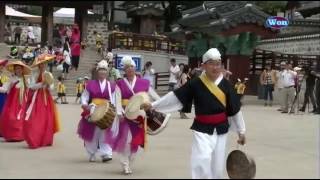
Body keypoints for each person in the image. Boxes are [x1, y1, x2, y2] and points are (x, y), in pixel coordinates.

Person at [143, 48, 246, 179]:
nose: (215, 67)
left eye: (218, 64)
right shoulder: (195, 83)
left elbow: (235, 109)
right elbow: (175, 97)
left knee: (217, 168)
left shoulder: (226, 84)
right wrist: (153, 105)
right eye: (211, 64)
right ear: (203, 66)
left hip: (221, 129)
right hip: (202, 129)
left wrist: (241, 131)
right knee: (201, 161)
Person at [106, 55, 166, 175]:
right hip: (125, 114)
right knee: (126, 140)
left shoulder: (144, 82)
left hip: (139, 115)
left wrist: (161, 104)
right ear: (124, 70)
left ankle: (129, 161)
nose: (130, 69)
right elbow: (117, 99)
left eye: (131, 67)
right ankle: (125, 164)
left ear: (135, 68)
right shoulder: (120, 83)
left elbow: (154, 95)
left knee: (136, 141)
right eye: (127, 67)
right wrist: (119, 113)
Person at [77, 60, 118, 162]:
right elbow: (85, 96)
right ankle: (91, 153)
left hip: (106, 110)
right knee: (92, 132)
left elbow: (113, 99)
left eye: (104, 70)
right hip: (93, 109)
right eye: (100, 70)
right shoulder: (90, 84)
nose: (102, 72)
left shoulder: (111, 86)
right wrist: (85, 105)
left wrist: (112, 110)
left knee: (105, 132)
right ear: (97, 72)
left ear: (107, 72)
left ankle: (106, 154)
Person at [23, 54, 61, 149]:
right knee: (35, 118)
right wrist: (41, 84)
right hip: (35, 98)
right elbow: (31, 86)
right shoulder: (34, 74)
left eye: (44, 64)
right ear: (38, 65)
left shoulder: (49, 74)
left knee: (47, 118)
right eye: (41, 64)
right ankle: (34, 138)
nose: (43, 65)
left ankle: (46, 139)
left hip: (46, 99)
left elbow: (52, 87)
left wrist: (48, 85)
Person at [0, 61, 31, 142]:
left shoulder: (25, 80)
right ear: (14, 70)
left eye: (20, 68)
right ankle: (11, 135)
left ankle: (20, 136)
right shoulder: (11, 79)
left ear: (22, 70)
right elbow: (5, 89)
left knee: (22, 118)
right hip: (12, 102)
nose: (18, 70)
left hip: (23, 102)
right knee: (11, 117)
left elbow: (30, 90)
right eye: (16, 69)